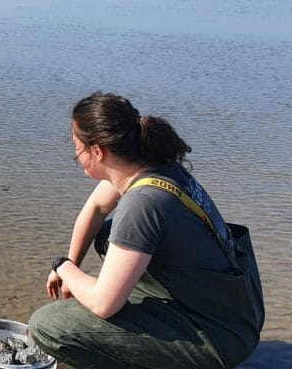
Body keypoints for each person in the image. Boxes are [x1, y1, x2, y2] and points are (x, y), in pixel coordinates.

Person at [29, 92, 262, 369]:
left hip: (219, 338)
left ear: (97, 151)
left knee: (48, 324)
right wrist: (74, 262)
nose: (76, 156)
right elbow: (95, 209)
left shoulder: (143, 203)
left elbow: (103, 305)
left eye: (76, 148)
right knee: (108, 233)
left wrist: (63, 267)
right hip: (235, 314)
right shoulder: (152, 166)